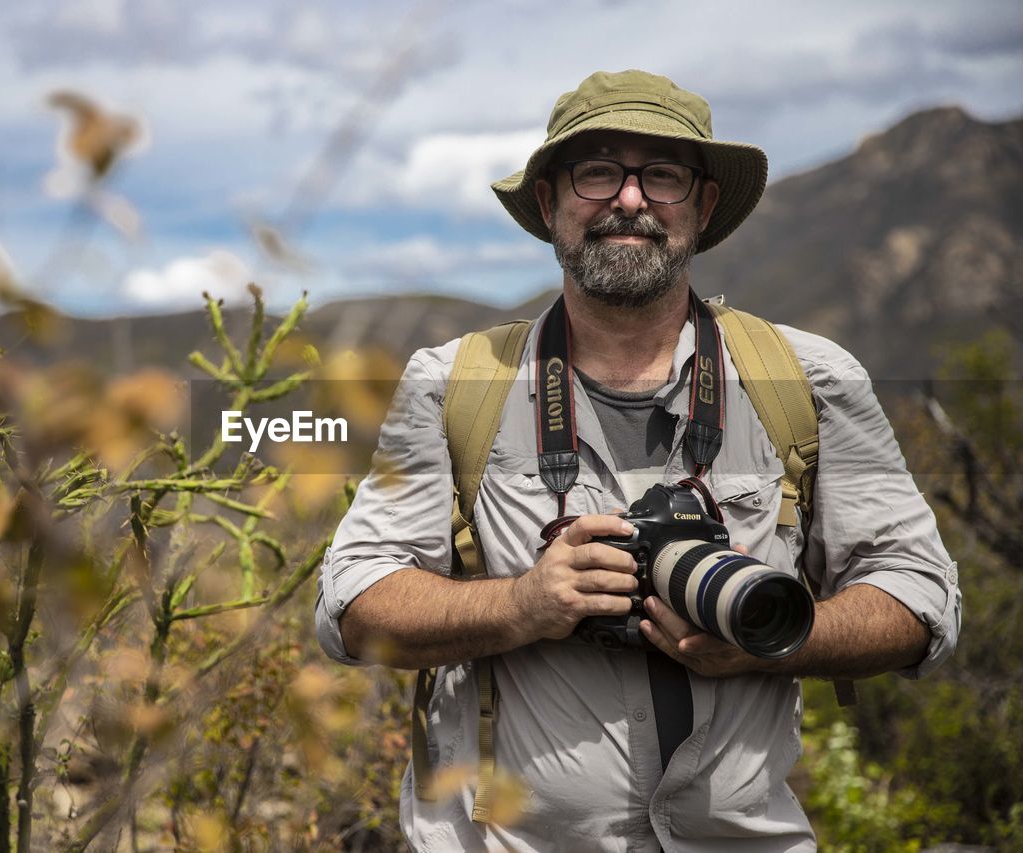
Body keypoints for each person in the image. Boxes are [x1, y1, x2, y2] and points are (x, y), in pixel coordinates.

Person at [315, 69, 961, 852]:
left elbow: (920, 595)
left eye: (662, 174)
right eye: (597, 172)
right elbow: (351, 607)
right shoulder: (453, 384)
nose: (629, 199)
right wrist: (523, 604)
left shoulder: (811, 379)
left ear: (703, 204)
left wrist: (779, 633)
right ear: (549, 203)